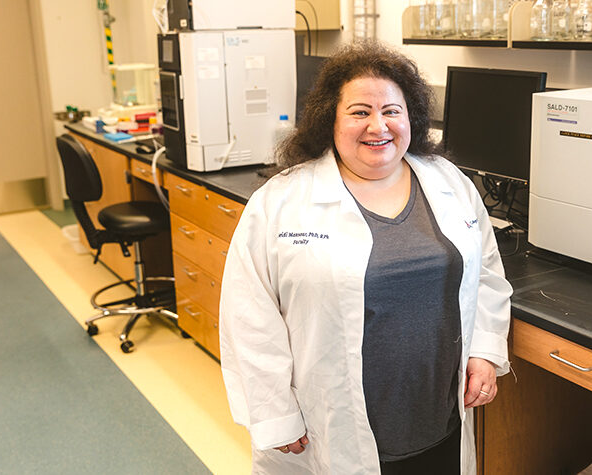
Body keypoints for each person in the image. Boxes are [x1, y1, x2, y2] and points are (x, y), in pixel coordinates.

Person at [219, 40, 513, 474]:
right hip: (332, 428)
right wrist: (274, 414)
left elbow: (486, 272)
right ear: (330, 121)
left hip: (437, 417)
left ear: (410, 116)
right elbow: (248, 318)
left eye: (392, 111)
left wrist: (485, 351)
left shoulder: (448, 183)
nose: (379, 126)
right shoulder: (280, 203)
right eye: (360, 112)